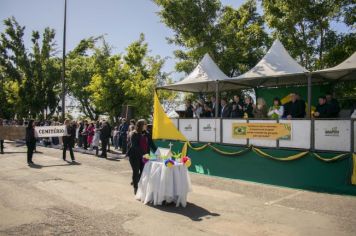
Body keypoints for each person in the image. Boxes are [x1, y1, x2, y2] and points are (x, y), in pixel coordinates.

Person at [127, 119, 157, 194]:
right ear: (140, 125)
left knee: (143, 172)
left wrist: (158, 152)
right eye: (145, 124)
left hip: (144, 157)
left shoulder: (147, 134)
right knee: (136, 172)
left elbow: (152, 144)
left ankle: (138, 184)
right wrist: (144, 153)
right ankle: (136, 187)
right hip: (134, 156)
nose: (146, 126)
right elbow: (135, 146)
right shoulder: (134, 134)